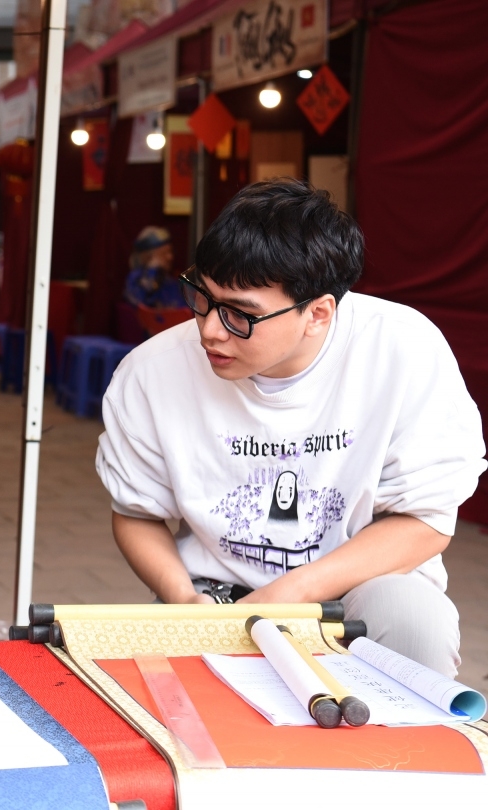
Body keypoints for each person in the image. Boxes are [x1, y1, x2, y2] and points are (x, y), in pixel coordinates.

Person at [96, 179, 485, 677]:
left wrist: (288, 594)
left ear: (318, 313)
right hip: (214, 596)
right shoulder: (152, 371)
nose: (210, 329)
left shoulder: (403, 351)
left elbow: (425, 522)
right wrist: (182, 600)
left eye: (241, 314)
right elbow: (137, 512)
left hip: (359, 591)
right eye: (202, 296)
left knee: (413, 616)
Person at [123, 226, 180, 308]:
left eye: (170, 252)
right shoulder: (135, 278)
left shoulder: (169, 281)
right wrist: (152, 271)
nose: (170, 257)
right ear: (149, 257)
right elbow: (141, 306)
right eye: (163, 253)